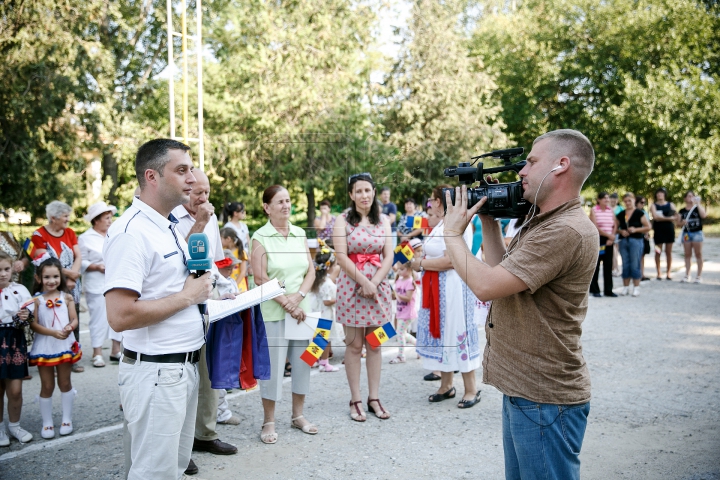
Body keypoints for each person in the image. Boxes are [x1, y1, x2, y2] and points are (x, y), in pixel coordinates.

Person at [443, 129, 597, 479]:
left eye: (530, 162)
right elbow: (502, 278)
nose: (521, 172)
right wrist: (488, 220)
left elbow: (484, 285)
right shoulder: (543, 221)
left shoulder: (565, 230)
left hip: (545, 397)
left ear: (561, 165)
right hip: (525, 389)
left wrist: (452, 234)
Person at [104, 139, 214, 479]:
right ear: (152, 176)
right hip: (157, 374)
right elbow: (120, 316)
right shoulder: (131, 232)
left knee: (173, 469)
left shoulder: (165, 225)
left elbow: (172, 284)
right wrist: (188, 297)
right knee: (154, 473)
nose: (192, 179)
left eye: (191, 169)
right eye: (181, 170)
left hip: (181, 368)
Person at [170, 170, 239, 473]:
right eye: (197, 193)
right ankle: (179, 447)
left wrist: (228, 286)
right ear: (184, 191)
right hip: (180, 304)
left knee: (209, 375)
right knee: (185, 378)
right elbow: (172, 261)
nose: (203, 199)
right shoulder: (170, 217)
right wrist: (197, 222)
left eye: (207, 192)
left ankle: (205, 434)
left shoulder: (211, 218)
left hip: (209, 303)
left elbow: (216, 260)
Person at [251, 185, 317, 444]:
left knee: (303, 363)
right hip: (273, 311)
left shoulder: (300, 233)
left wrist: (298, 297)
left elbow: (310, 272)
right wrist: (287, 303)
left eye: (288, 201)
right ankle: (269, 421)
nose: (286, 206)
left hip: (302, 310)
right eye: (280, 202)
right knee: (274, 368)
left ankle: (298, 415)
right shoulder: (260, 237)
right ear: (267, 207)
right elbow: (260, 277)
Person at [412, 185, 481, 408]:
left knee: (458, 331)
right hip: (437, 288)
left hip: (454, 288)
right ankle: (446, 385)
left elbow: (451, 260)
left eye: (433, 199)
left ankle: (471, 388)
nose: (430, 203)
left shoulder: (460, 223)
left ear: (441, 201)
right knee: (443, 334)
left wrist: (420, 264)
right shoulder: (440, 223)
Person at [334, 173, 394, 422]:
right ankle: (356, 398)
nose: (364, 195)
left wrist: (375, 283)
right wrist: (364, 282)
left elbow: (389, 256)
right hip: (352, 287)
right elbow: (341, 256)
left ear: (374, 191)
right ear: (351, 195)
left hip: (377, 289)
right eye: (358, 191)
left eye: (367, 190)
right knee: (354, 345)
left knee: (375, 343)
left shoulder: (384, 221)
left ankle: (374, 397)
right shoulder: (342, 221)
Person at [26, 201, 84, 373]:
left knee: (72, 318)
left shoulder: (70, 232)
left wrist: (73, 275)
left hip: (71, 281)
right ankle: (50, 356)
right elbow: (43, 261)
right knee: (49, 318)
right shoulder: (38, 235)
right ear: (53, 218)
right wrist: (68, 275)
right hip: (51, 282)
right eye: (65, 216)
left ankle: (72, 356)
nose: (68, 219)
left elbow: (78, 255)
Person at [29, 256, 82, 439]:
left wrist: (70, 327)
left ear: (60, 277)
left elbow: (74, 319)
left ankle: (67, 419)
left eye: (55, 277)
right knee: (47, 384)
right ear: (39, 279)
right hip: (45, 345)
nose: (51, 281)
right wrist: (52, 333)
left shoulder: (66, 297)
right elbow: (33, 324)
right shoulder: (36, 300)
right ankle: (47, 422)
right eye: (47, 277)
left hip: (64, 343)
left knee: (65, 382)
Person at [78, 201, 121, 367]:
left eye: (110, 218)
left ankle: (115, 350)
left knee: (118, 313)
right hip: (96, 282)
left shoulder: (115, 234)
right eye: (106, 218)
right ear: (96, 220)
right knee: (98, 317)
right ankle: (97, 353)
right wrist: (95, 266)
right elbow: (80, 261)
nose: (110, 221)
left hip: (116, 280)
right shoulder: (85, 238)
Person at [0, 251, 34, 446]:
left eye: (6, 269)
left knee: (15, 389)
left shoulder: (19, 289)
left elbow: (29, 316)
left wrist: (25, 316)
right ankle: (0, 429)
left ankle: (15, 426)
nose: (3, 274)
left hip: (14, 341)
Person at [307, 240, 341, 372]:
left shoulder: (316, 280)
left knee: (317, 339)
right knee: (325, 340)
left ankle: (311, 361)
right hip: (325, 314)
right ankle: (324, 363)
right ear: (329, 266)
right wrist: (338, 299)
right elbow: (327, 301)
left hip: (316, 311)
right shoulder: (327, 283)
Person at [617, 193, 652, 297]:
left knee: (635, 263)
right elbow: (615, 228)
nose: (627, 203)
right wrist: (621, 232)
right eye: (626, 201)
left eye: (629, 200)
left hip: (636, 240)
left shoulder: (639, 213)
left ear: (633, 200)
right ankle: (626, 287)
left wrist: (635, 229)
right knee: (625, 263)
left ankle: (636, 287)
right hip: (624, 241)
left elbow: (648, 227)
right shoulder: (621, 214)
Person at [589, 192, 618, 297]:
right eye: (604, 198)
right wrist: (608, 236)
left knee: (608, 265)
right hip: (599, 239)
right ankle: (595, 290)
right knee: (596, 265)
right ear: (599, 200)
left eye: (607, 198)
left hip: (609, 240)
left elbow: (615, 224)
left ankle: (608, 290)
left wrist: (612, 236)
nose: (607, 200)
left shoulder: (610, 210)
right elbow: (594, 226)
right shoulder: (594, 210)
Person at [389, 262, 417, 365]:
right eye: (399, 269)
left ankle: (401, 355)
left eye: (402, 269)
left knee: (400, 333)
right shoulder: (399, 281)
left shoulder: (410, 282)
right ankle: (419, 346)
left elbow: (408, 298)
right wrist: (393, 295)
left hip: (408, 313)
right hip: (401, 312)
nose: (399, 271)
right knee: (403, 333)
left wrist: (397, 295)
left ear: (409, 269)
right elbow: (396, 296)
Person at [678, 191, 707, 283]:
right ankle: (687, 275)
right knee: (687, 254)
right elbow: (678, 223)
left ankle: (699, 276)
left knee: (698, 253)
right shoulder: (682, 211)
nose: (690, 198)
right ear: (685, 198)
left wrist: (698, 203)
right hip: (686, 233)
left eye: (692, 196)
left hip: (697, 233)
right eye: (688, 196)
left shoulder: (697, 208)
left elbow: (703, 215)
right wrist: (682, 222)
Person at [650, 187, 677, 280]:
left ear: (665, 194)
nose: (659, 195)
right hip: (658, 231)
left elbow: (675, 216)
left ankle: (668, 272)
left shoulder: (671, 204)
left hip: (669, 230)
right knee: (658, 251)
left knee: (668, 252)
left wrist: (664, 218)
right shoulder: (653, 205)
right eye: (658, 193)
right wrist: (669, 218)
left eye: (661, 193)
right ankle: (659, 272)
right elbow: (655, 217)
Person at [220, 228, 248, 292]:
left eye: (221, 239)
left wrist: (234, 285)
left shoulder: (240, 252)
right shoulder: (222, 251)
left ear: (228, 239)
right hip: (226, 287)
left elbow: (243, 272)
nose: (219, 241)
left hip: (239, 287)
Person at [635, 196, 652, 281]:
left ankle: (641, 274)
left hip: (643, 237)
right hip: (635, 237)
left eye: (644, 203)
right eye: (641, 202)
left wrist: (647, 233)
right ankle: (637, 275)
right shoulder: (632, 212)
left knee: (642, 256)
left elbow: (647, 225)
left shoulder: (644, 212)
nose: (643, 204)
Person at [609, 192, 622, 277]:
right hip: (609, 232)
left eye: (615, 200)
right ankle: (614, 268)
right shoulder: (608, 208)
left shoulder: (620, 209)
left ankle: (616, 268)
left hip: (618, 232)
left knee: (616, 252)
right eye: (611, 200)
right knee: (613, 252)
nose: (613, 201)